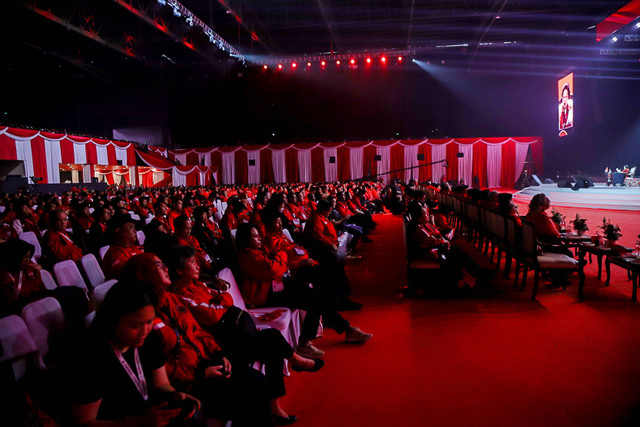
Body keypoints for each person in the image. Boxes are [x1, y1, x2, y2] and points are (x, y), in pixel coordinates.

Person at [167, 245, 323, 424]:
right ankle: (293, 366)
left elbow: (221, 298)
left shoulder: (199, 285)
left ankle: (282, 391)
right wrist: (222, 299)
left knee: (272, 338)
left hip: (239, 333)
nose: (197, 266)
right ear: (179, 270)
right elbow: (212, 314)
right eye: (192, 263)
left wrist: (221, 298)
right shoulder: (181, 295)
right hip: (227, 343)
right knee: (272, 345)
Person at [121, 254, 275, 426]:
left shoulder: (172, 299)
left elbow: (197, 331)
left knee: (258, 382)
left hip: (205, 364)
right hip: (186, 382)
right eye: (158, 264)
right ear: (141, 276)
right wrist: (200, 375)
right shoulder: (137, 316)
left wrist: (218, 354)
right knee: (245, 397)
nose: (165, 268)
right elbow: (156, 365)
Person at [65, 281, 201, 426]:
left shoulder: (150, 339)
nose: (144, 331)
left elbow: (161, 383)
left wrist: (173, 395)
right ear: (112, 320)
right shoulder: (90, 358)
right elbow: (85, 423)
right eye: (135, 325)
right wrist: (139, 422)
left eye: (149, 322)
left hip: (148, 415)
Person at [236, 223, 372, 359]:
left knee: (316, 299)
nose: (259, 238)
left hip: (276, 286)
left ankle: (344, 330)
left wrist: (278, 260)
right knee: (316, 300)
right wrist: (281, 255)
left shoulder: (256, 251)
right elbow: (272, 270)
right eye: (255, 236)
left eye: (259, 235)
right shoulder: (247, 256)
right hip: (266, 295)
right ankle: (309, 341)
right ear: (245, 239)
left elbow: (275, 266)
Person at [0, 238, 48, 316]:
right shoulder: (3, 278)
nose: (28, 260)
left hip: (41, 304)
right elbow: (8, 307)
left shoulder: (31, 269)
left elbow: (42, 289)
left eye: (29, 257)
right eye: (25, 257)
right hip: (25, 313)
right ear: (14, 258)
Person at [102, 213, 144, 280]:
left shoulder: (131, 247)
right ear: (119, 231)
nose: (135, 231)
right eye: (130, 227)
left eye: (134, 227)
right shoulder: (115, 256)